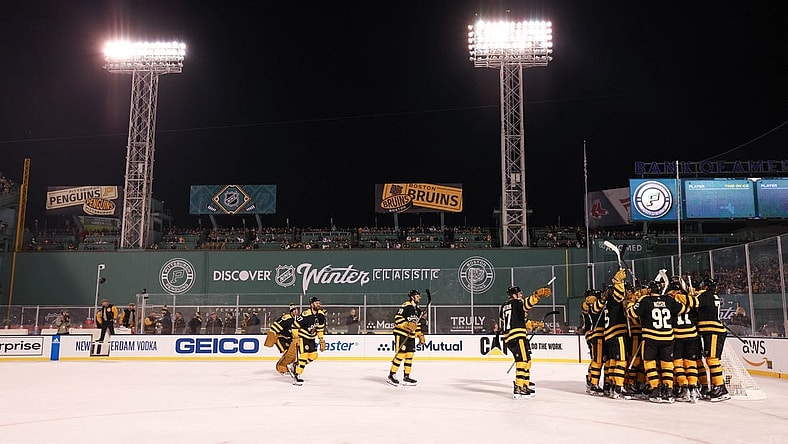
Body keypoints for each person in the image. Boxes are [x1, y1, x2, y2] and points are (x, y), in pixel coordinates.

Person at [626, 280, 697, 403]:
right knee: (667, 365)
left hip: (651, 338)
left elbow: (631, 313)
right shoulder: (668, 300)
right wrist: (688, 297)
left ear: (649, 290)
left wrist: (632, 301)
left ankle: (655, 388)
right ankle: (668, 390)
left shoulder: (645, 300)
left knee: (650, 364)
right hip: (668, 338)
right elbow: (684, 309)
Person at [499, 285, 551, 399]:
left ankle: (525, 384)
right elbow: (527, 304)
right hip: (518, 336)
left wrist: (533, 324)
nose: (521, 295)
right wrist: (538, 294)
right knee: (522, 360)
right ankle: (519, 386)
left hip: (510, 337)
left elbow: (515, 319)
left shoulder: (504, 306)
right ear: (514, 295)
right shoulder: (517, 303)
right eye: (520, 294)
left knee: (527, 360)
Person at [695, 278, 731, 401]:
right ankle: (718, 386)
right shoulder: (713, 296)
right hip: (712, 331)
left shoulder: (705, 296)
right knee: (711, 359)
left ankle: (720, 387)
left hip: (713, 332)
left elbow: (693, 303)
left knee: (712, 359)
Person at [387, 290, 426, 387]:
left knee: (410, 355)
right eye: (417, 296)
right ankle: (391, 375)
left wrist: (420, 335)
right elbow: (397, 318)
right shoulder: (405, 306)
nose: (419, 298)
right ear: (412, 297)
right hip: (401, 334)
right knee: (400, 355)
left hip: (411, 335)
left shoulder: (418, 310)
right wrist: (406, 325)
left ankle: (406, 376)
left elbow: (417, 325)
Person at [291, 297, 327, 385]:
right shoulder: (305, 314)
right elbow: (294, 326)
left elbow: (320, 329)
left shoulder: (321, 315)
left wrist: (321, 339)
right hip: (303, 338)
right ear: (312, 305)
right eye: (316, 303)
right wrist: (295, 337)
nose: (318, 304)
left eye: (319, 303)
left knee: (314, 355)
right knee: (304, 355)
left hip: (311, 338)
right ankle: (297, 374)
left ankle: (297, 365)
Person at [265, 304, 300, 374]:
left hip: (289, 339)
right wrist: (272, 332)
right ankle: (280, 367)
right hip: (281, 338)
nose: (297, 311)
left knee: (292, 355)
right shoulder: (286, 317)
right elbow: (276, 325)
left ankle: (288, 366)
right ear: (292, 311)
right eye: (295, 310)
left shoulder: (296, 319)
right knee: (287, 353)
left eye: (297, 309)